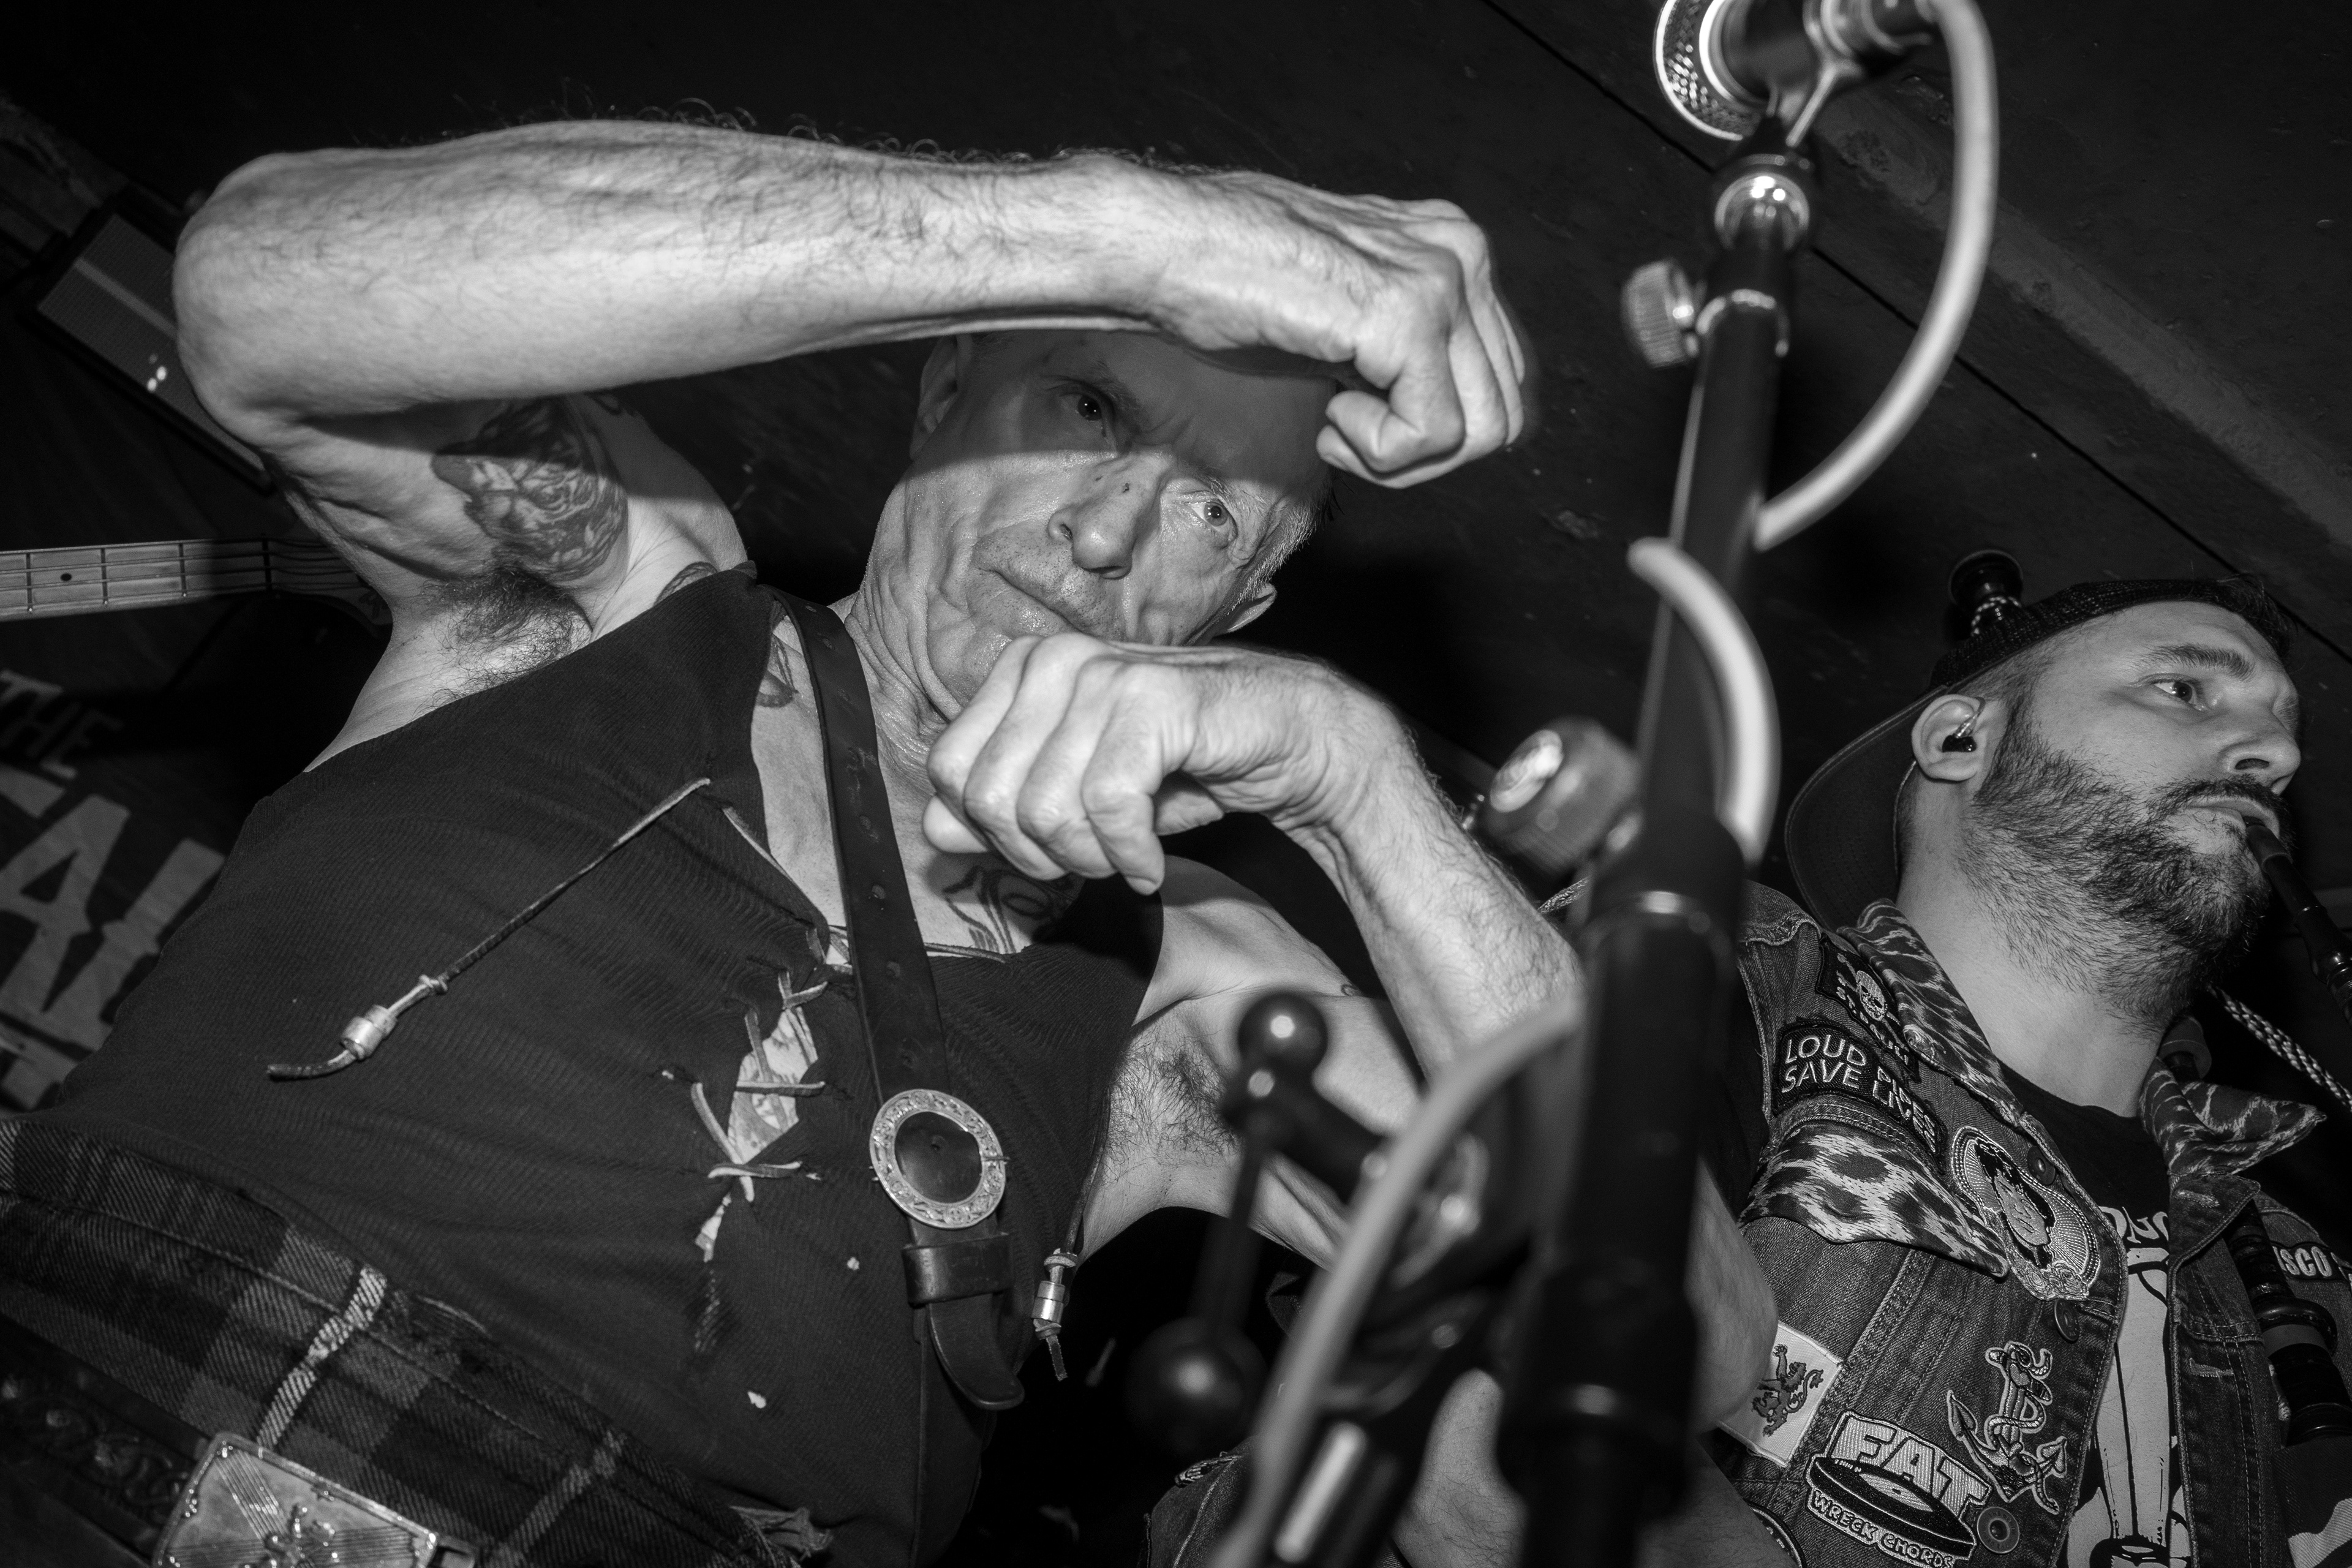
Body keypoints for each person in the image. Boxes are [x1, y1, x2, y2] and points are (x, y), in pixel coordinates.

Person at [0, 124, 1771, 1567]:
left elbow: (1689, 1342)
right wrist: (1118, 229)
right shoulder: (614, 592)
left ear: (1241, 607)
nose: (1106, 538)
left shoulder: (1186, 988)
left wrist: (1353, 774)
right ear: (940, 396)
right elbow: (258, 291)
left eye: (1213, 513)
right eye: (1090, 407)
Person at [1698, 571, 2352, 1567]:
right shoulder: (1745, 984)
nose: (2281, 753)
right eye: (2185, 689)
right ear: (1962, 739)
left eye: (2285, 724)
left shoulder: (2313, 1274)